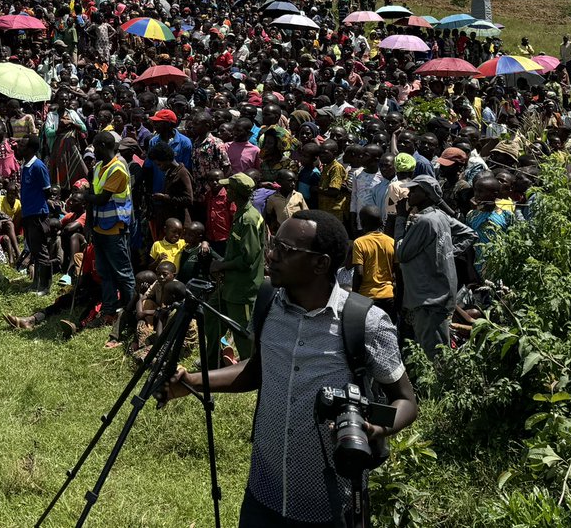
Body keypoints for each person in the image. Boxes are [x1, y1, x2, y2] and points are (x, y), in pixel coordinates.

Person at [166, 210, 418, 527]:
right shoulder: (268, 302)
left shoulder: (364, 321)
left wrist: (377, 429)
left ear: (321, 264)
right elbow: (256, 369)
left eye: (285, 250)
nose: (270, 254)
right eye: (274, 244)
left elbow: (406, 402)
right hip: (263, 493)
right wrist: (192, 381)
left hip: (331, 503)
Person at [395, 175, 473, 359]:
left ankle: (441, 387)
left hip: (429, 298)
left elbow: (401, 253)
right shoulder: (439, 216)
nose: (409, 194)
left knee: (434, 353)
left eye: (415, 190)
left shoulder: (425, 221)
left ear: (428, 194)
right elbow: (469, 234)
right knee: (434, 345)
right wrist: (444, 252)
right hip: (438, 293)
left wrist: (399, 218)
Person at [208, 173, 264, 362]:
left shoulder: (249, 220)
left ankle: (249, 368)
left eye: (229, 188)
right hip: (230, 284)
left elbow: (248, 259)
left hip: (243, 288)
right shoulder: (240, 214)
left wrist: (221, 265)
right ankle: (214, 359)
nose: (226, 190)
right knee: (211, 315)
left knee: (242, 330)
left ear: (236, 192)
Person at [88, 130, 138, 320]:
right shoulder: (100, 166)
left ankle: (132, 311)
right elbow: (95, 196)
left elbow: (101, 199)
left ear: (102, 146)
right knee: (104, 272)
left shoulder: (118, 168)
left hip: (115, 228)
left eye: (94, 146)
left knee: (123, 272)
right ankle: (109, 309)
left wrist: (87, 196)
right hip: (99, 227)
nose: (93, 151)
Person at [18, 135, 53, 295]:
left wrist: (37, 204)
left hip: (37, 214)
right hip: (28, 213)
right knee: (34, 249)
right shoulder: (25, 165)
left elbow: (47, 190)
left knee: (41, 250)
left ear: (31, 148)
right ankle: (35, 283)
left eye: (23, 145)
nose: (19, 147)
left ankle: (45, 286)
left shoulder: (38, 166)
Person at [350, 204, 397, 321]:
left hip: (367, 297)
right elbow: (397, 272)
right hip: (389, 296)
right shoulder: (391, 242)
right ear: (381, 222)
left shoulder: (359, 243)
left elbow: (359, 273)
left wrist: (354, 297)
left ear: (362, 223)